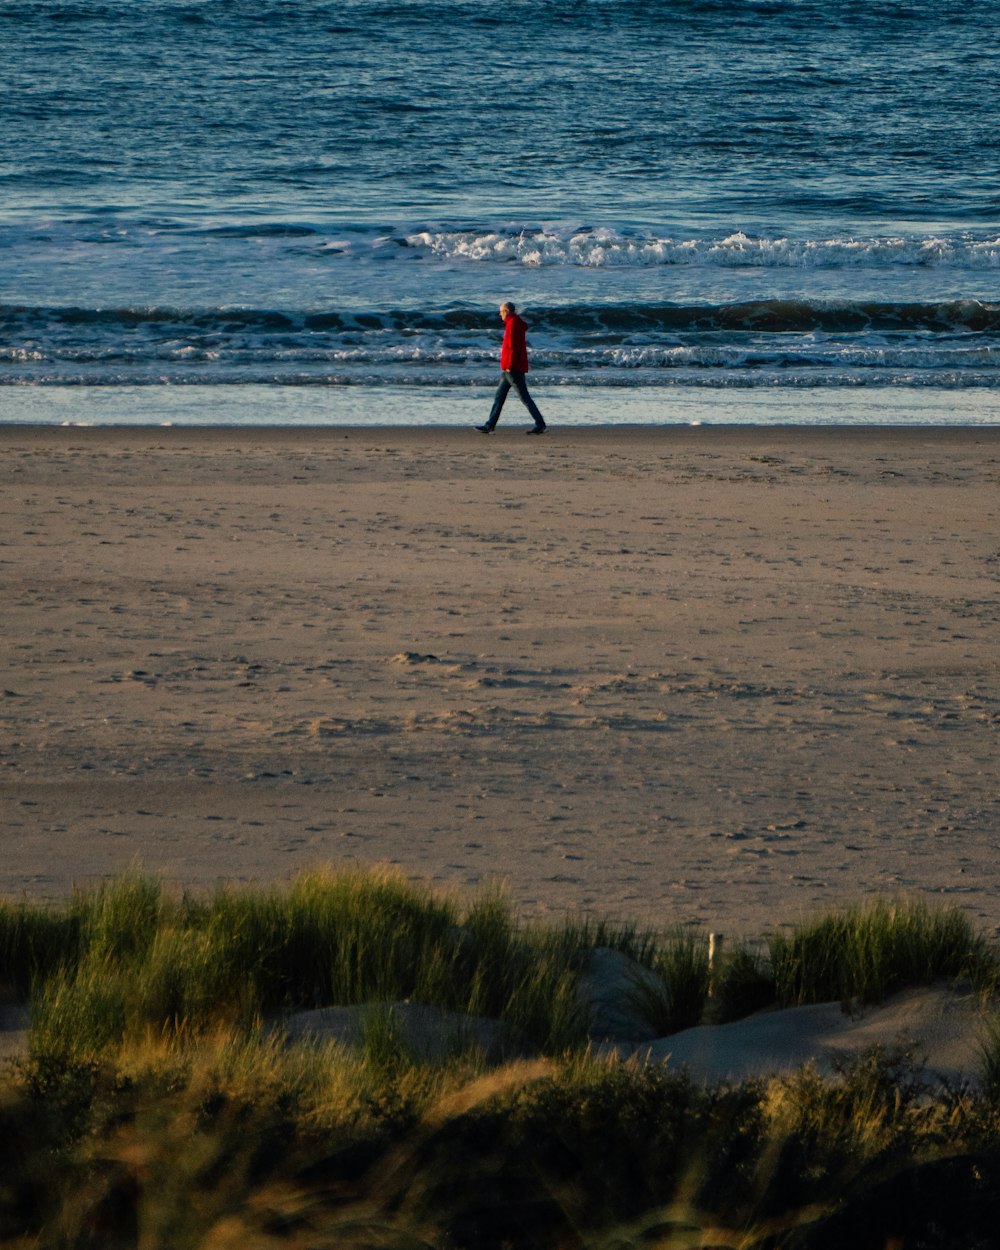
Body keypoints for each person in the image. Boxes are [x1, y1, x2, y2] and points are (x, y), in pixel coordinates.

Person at [476, 301, 547, 434]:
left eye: (501, 311)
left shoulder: (513, 324)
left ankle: (540, 424)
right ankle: (489, 425)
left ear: (507, 311)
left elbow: (512, 347)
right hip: (510, 368)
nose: (500, 314)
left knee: (524, 398)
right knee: (499, 397)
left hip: (512, 368)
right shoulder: (513, 323)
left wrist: (509, 365)